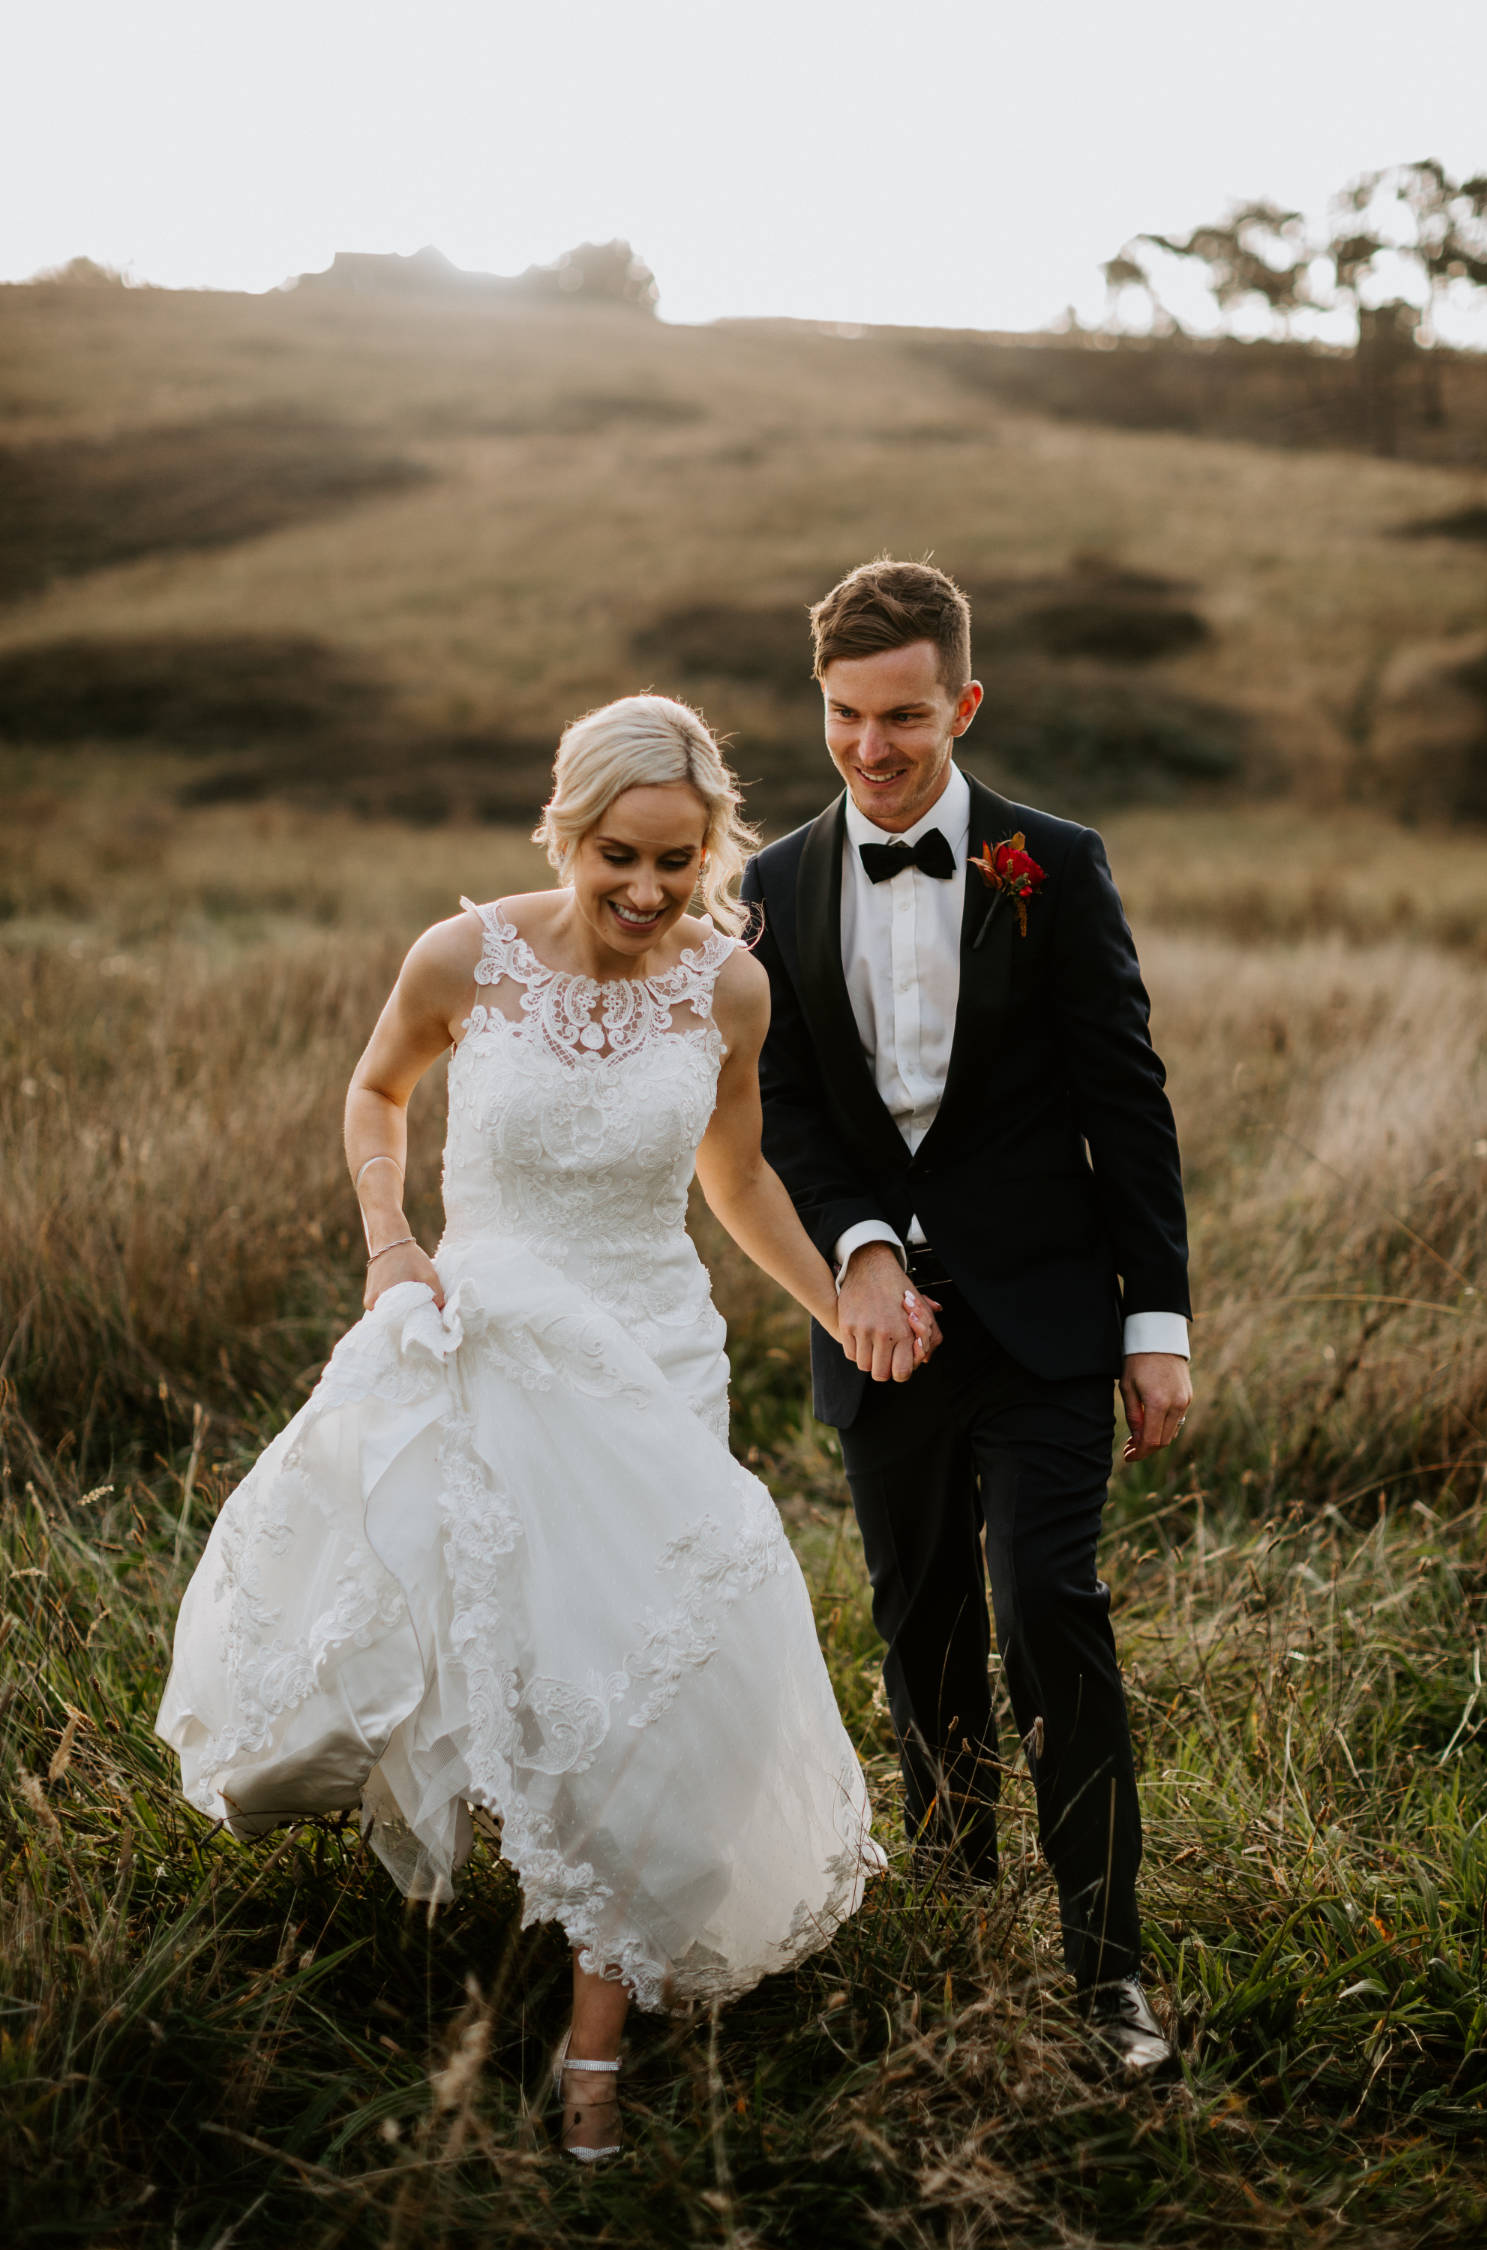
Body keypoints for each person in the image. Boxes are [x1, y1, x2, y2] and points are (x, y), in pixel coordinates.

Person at [157, 694, 923, 2160]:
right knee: (474, 1646)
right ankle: (441, 1916)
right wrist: (390, 1243)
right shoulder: (464, 956)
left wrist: (840, 1306)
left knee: (637, 1677)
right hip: (483, 1335)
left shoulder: (728, 989)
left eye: (679, 863)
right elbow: (377, 1092)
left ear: (713, 852)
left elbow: (740, 1181)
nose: (646, 892)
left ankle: (594, 2054)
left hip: (652, 1357)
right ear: (566, 832)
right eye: (618, 858)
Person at [739, 559, 1193, 2075]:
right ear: (823, 705)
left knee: (1044, 1610)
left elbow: (1127, 1100)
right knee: (919, 1620)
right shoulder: (776, 883)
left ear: (965, 704)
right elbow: (782, 1103)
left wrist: (1159, 1319)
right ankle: (950, 1900)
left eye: (907, 717)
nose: (874, 747)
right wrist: (859, 1248)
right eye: (848, 716)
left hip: (1054, 1316)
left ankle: (1110, 1969)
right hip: (876, 1328)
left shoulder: (1052, 863)